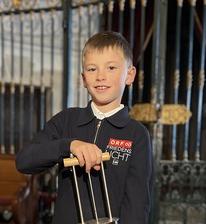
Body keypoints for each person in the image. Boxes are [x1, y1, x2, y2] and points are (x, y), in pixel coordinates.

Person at [16, 30, 153, 224]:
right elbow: (23, 161)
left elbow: (137, 207)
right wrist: (69, 146)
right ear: (83, 79)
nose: (100, 76)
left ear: (130, 75)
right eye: (92, 69)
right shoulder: (66, 120)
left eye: (111, 67)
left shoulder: (137, 135)